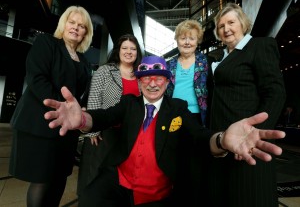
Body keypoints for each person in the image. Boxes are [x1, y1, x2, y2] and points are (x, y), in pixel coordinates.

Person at [43, 55, 285, 207]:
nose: (152, 82)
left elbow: (200, 137)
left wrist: (221, 139)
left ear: (168, 82)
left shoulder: (177, 108)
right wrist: (82, 119)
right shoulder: (128, 104)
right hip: (117, 186)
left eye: (159, 78)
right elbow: (103, 117)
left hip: (159, 195)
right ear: (139, 82)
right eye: (146, 78)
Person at [9, 5, 94, 207]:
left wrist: (78, 110)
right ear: (64, 24)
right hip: (42, 123)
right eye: (72, 22)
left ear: (86, 33)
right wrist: (66, 107)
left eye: (81, 26)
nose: (75, 28)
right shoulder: (46, 43)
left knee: (59, 179)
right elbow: (37, 79)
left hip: (66, 130)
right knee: (43, 180)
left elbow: (79, 94)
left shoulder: (83, 60)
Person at [206, 2, 286, 207]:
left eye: (231, 22)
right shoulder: (221, 57)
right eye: (221, 26)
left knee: (251, 196)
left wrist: (254, 134)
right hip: (225, 142)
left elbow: (275, 93)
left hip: (249, 143)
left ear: (243, 23)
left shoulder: (259, 46)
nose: (226, 29)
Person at [77, 34, 143, 195]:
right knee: (97, 177)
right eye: (125, 48)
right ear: (118, 51)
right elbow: (94, 97)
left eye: (133, 49)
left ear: (137, 53)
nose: (129, 52)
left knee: (123, 180)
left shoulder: (141, 75)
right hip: (105, 133)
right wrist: (93, 129)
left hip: (130, 135)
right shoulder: (105, 70)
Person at [164, 19, 210, 206]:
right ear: (177, 40)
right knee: (175, 158)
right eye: (183, 38)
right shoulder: (169, 64)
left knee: (195, 160)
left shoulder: (205, 62)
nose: (187, 42)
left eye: (191, 38)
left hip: (196, 116)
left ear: (197, 41)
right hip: (174, 115)